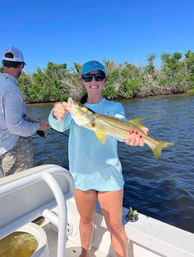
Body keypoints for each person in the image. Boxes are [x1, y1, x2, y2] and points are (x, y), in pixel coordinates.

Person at [49, 60, 148, 257]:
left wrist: (133, 136)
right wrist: (56, 111)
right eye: (88, 77)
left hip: (109, 176)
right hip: (81, 176)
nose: (93, 80)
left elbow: (122, 128)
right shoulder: (76, 111)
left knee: (115, 226)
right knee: (85, 220)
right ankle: (84, 253)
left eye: (98, 76)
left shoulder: (114, 107)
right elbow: (57, 125)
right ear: (83, 81)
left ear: (104, 80)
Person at [0, 46, 49, 177]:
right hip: (13, 150)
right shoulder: (12, 91)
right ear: (21, 66)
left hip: (2, 149)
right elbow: (15, 127)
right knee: (18, 187)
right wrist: (40, 126)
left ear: (3, 63)